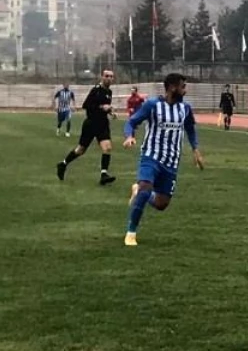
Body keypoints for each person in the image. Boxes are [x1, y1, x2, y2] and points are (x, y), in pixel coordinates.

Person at [122, 73, 205, 247]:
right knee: (145, 188)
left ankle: (138, 192)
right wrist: (129, 136)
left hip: (172, 161)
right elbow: (132, 121)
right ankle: (131, 233)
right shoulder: (152, 105)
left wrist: (195, 149)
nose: (185, 90)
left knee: (161, 204)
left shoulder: (185, 109)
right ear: (172, 87)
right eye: (183, 86)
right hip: (151, 156)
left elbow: (190, 128)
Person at [57, 70, 117, 186]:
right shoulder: (96, 90)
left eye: (111, 76)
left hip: (103, 124)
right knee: (80, 150)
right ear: (102, 77)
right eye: (107, 76)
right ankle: (63, 164)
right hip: (91, 124)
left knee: (107, 148)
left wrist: (110, 112)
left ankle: (104, 175)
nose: (109, 78)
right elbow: (86, 105)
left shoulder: (109, 92)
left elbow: (106, 107)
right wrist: (101, 107)